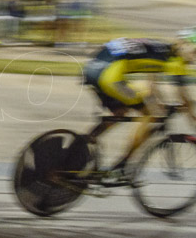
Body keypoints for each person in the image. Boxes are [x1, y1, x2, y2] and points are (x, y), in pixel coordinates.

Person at [81, 34, 196, 183]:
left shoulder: (159, 48)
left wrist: (158, 102)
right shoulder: (176, 62)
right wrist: (192, 118)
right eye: (194, 52)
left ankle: (83, 143)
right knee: (149, 115)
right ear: (184, 45)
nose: (194, 58)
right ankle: (123, 165)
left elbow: (152, 85)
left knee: (120, 112)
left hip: (92, 69)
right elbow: (184, 98)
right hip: (110, 76)